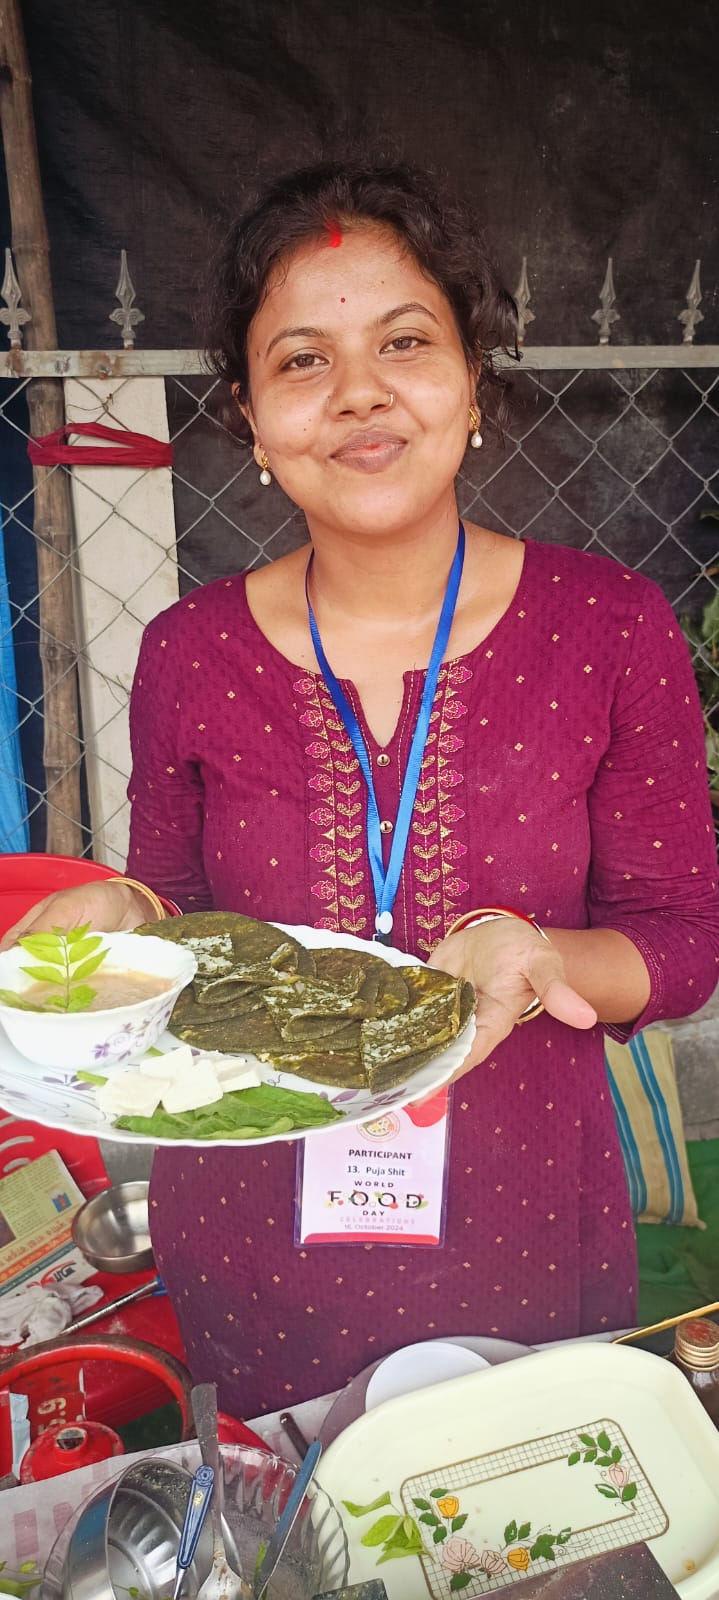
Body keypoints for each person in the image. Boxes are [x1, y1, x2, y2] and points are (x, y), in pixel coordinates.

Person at [5, 161, 719, 1420]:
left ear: (470, 380)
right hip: (254, 1226)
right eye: (302, 360)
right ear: (250, 416)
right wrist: (122, 913)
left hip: (521, 1217)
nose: (358, 393)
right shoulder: (189, 651)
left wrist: (532, 954)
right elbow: (176, 912)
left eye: (403, 341)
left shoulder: (610, 628)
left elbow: (680, 938)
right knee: (296, 1510)